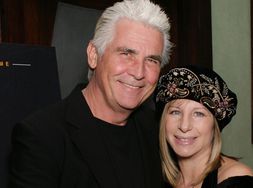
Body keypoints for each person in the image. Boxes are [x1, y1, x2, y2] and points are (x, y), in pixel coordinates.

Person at [9, 0, 172, 187]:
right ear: (93, 55)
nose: (139, 72)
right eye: (126, 53)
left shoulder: (158, 130)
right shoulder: (43, 136)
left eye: (151, 60)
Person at [154, 65, 253, 188]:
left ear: (214, 126)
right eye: (175, 112)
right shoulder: (161, 179)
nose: (184, 126)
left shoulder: (237, 181)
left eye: (198, 114)